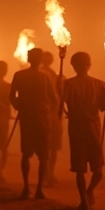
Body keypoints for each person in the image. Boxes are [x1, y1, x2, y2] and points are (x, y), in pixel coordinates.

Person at [61, 51, 105, 210]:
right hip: (79, 127)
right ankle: (84, 200)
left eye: (83, 64)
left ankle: (88, 191)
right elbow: (62, 104)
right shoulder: (69, 84)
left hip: (90, 127)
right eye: (80, 64)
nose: (82, 67)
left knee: (96, 169)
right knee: (81, 168)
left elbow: (102, 108)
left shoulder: (99, 84)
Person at [10, 47, 57, 199]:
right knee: (37, 155)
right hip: (37, 117)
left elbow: (12, 97)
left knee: (33, 155)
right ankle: (33, 188)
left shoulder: (31, 76)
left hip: (33, 117)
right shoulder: (39, 76)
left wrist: (20, 107)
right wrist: (46, 111)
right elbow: (54, 100)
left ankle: (33, 188)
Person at [40, 51, 63, 186]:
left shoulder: (55, 74)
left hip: (55, 114)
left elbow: (61, 90)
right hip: (44, 112)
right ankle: (44, 174)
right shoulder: (40, 74)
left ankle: (50, 173)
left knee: (53, 147)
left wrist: (61, 83)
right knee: (45, 147)